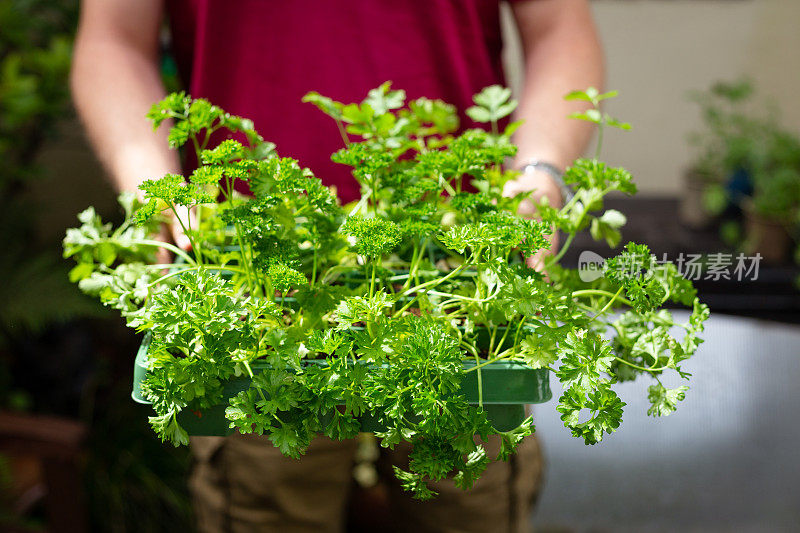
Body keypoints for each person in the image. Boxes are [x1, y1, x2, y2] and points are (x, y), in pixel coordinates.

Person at [71, 1, 604, 531]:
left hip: (463, 277)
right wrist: (150, 184)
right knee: (270, 506)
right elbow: (113, 38)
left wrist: (540, 172)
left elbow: (558, 27)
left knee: (466, 508)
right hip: (248, 290)